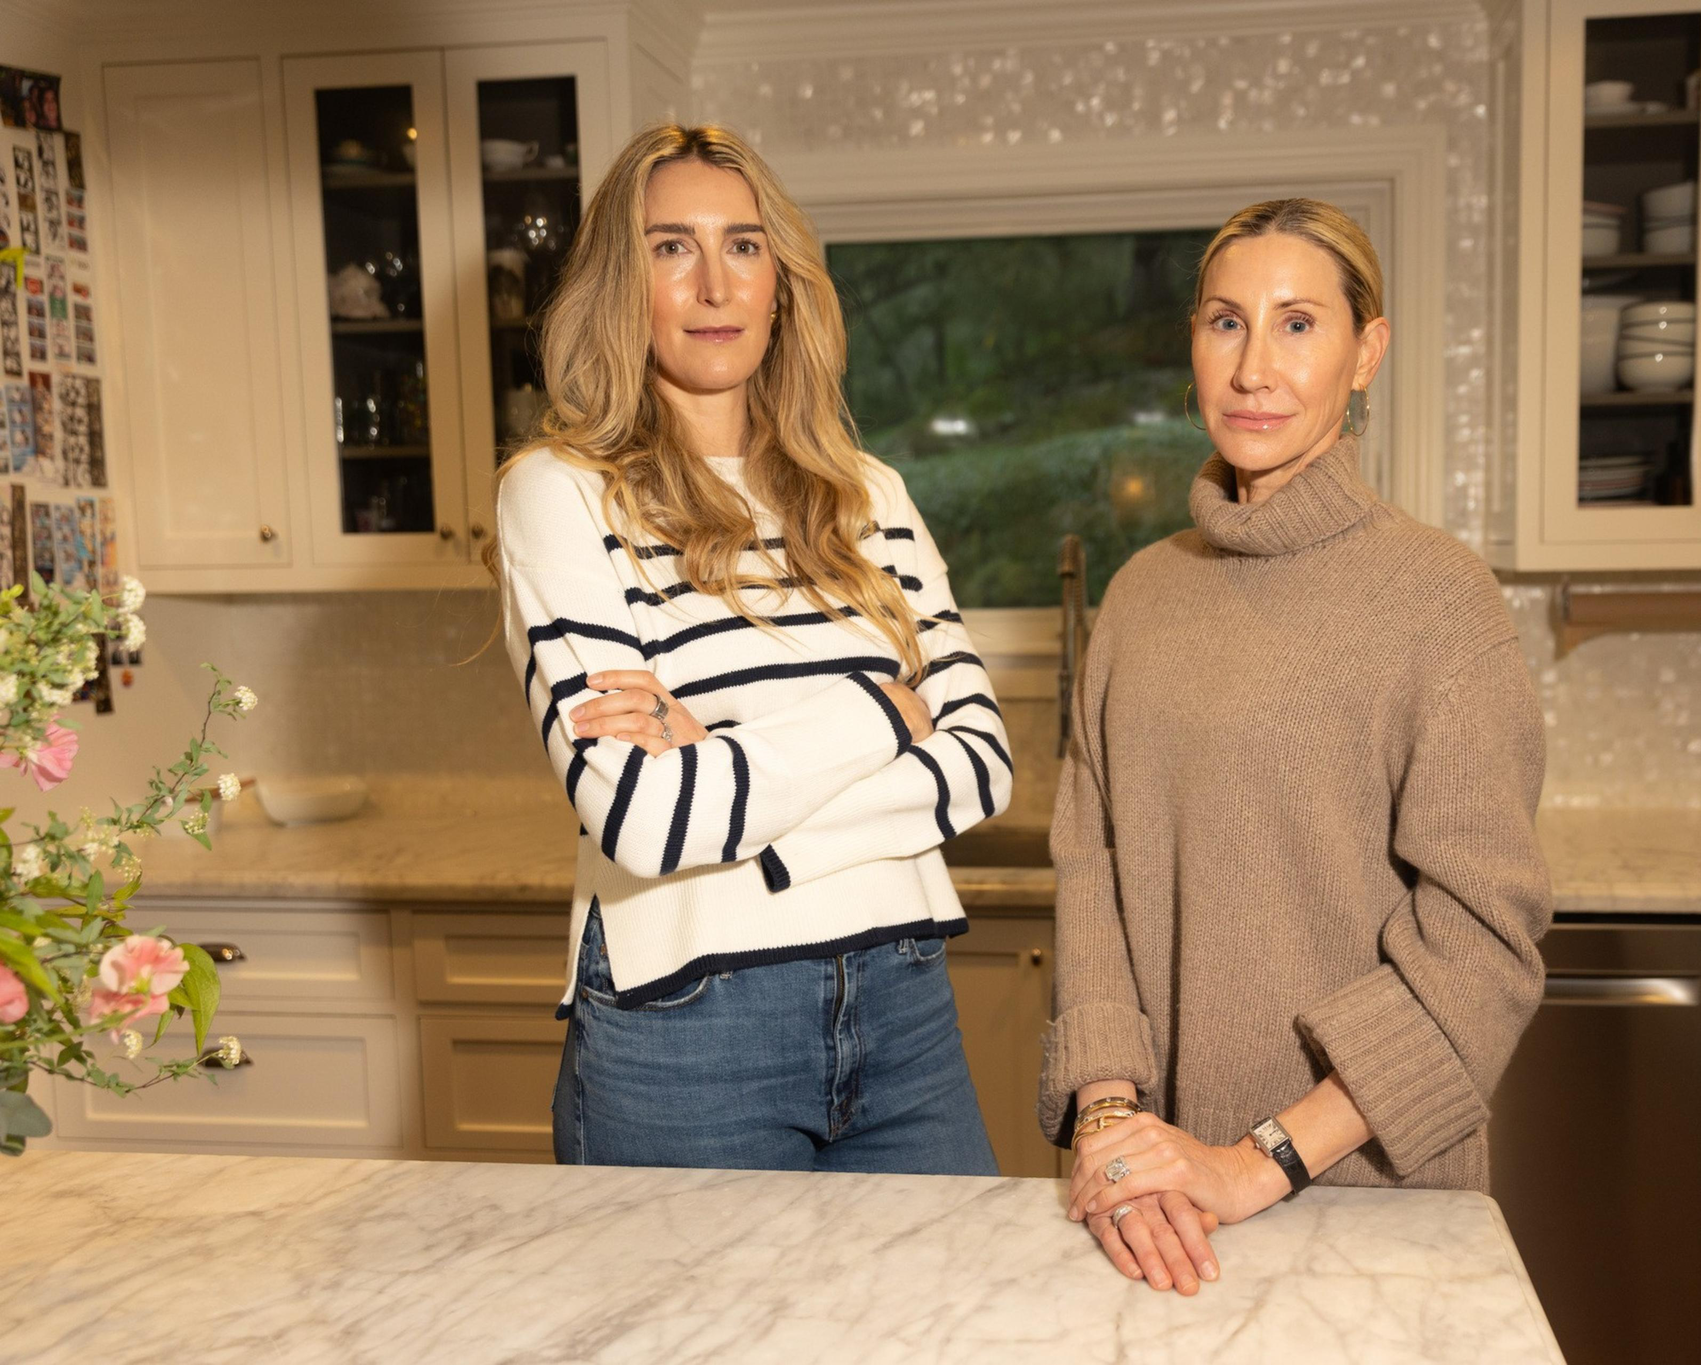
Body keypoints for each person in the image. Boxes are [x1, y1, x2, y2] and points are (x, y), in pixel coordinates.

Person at [1038, 198, 1552, 1295]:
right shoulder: (1139, 595)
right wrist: (1113, 1123)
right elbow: (1091, 871)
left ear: (1366, 353)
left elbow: (1482, 947)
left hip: (1367, 1199)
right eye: (1225, 322)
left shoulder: (1439, 599)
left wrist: (1254, 1161)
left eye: (1298, 324)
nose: (1253, 368)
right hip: (1156, 1206)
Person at [490, 124, 1011, 1175]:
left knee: (953, 1292)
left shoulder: (869, 495)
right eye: (670, 248)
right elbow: (646, 818)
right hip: (688, 1022)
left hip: (905, 1003)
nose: (714, 285)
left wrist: (726, 772)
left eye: (743, 245)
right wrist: (880, 714)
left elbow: (981, 765)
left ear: (781, 281)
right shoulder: (558, 493)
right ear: (620, 284)